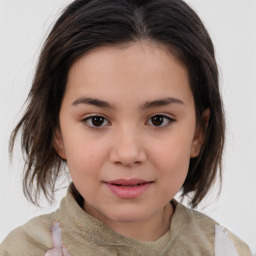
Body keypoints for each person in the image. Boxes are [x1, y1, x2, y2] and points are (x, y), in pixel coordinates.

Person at [0, 0, 252, 255]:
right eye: (96, 120)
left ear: (198, 133)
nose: (128, 153)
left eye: (158, 120)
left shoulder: (227, 250)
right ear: (58, 133)